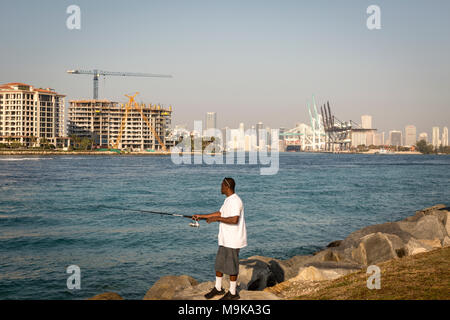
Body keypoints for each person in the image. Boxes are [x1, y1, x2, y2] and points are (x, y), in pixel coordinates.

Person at [192, 177, 247, 300]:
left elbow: (234, 220)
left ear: (227, 187)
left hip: (233, 240)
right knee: (219, 265)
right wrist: (201, 216)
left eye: (222, 185)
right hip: (225, 239)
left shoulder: (236, 201)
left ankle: (233, 293)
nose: (220, 187)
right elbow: (220, 213)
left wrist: (216, 219)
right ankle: (218, 288)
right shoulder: (228, 200)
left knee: (232, 267)